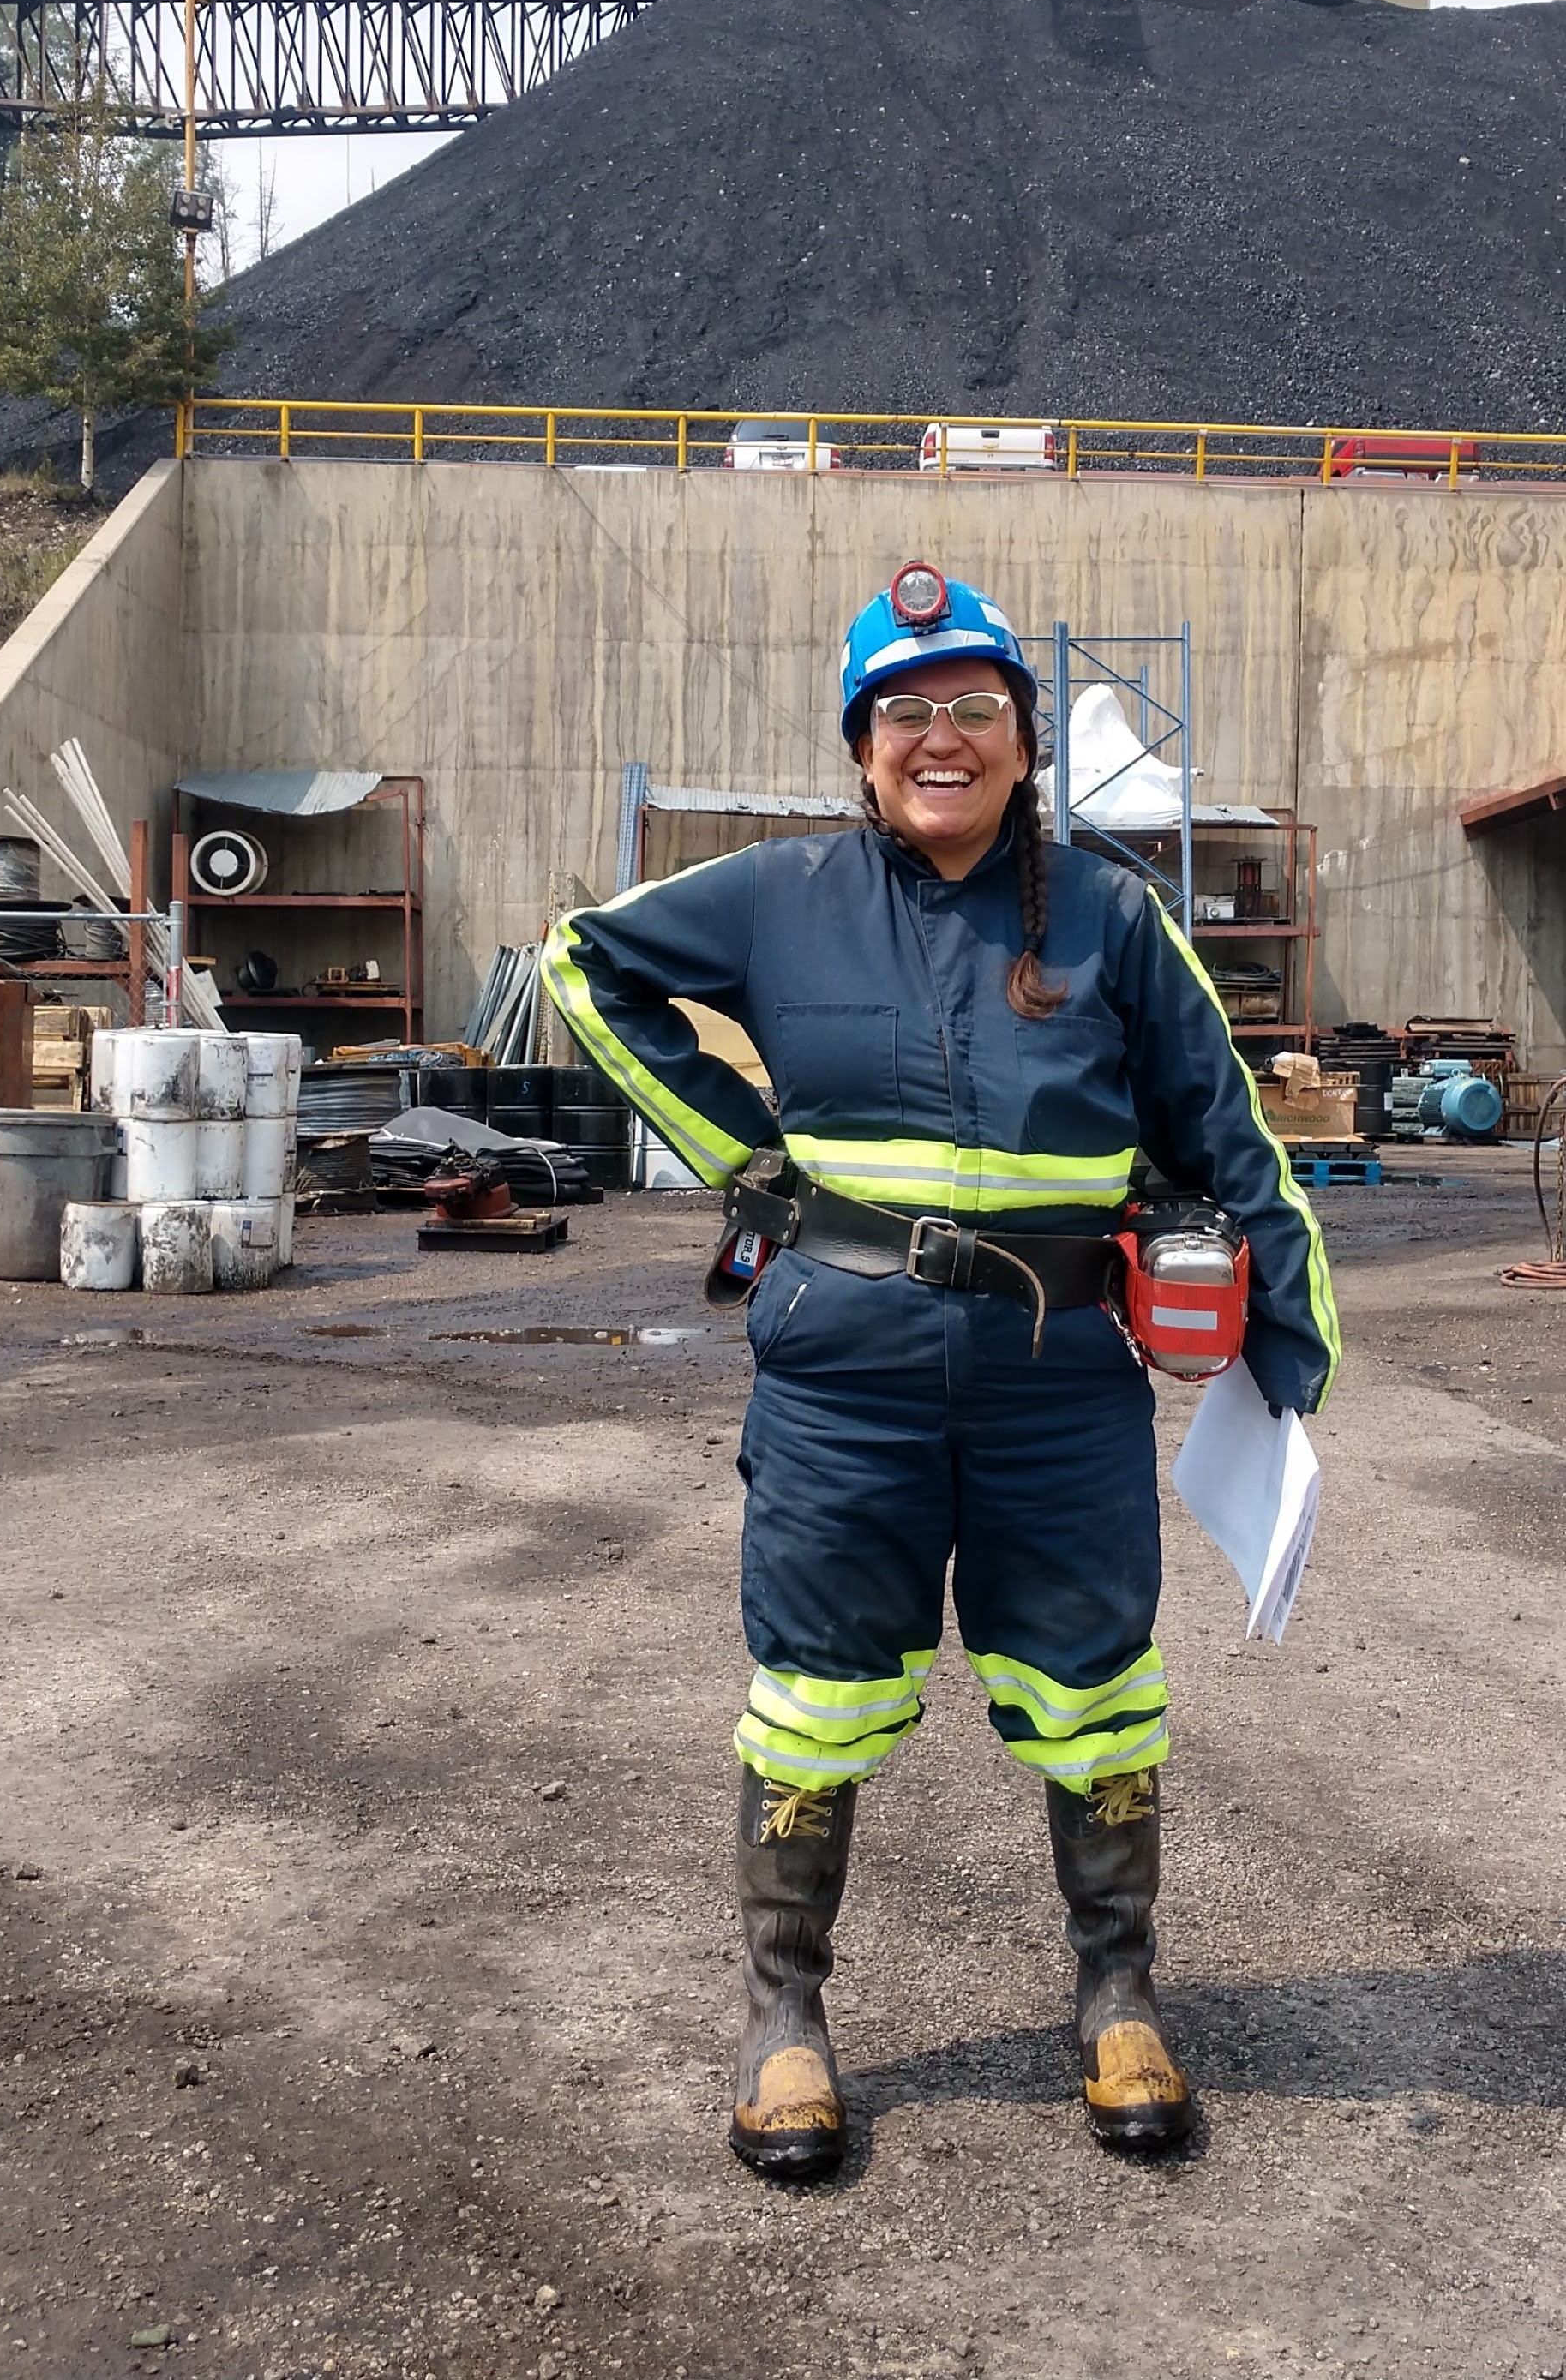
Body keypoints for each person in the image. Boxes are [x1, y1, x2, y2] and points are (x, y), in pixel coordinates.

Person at [543, 561, 1337, 2179]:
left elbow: (1226, 1128)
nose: (941, 738)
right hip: (843, 1380)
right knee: (820, 1691)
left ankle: (1116, 1994)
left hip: (1062, 1382)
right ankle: (785, 2019)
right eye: (904, 714)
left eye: (975, 707)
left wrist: (1287, 1327)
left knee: (1096, 1686)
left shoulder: (1116, 916)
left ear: (1026, 743)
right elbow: (581, 963)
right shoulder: (776, 896)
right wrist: (741, 1160)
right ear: (862, 749)